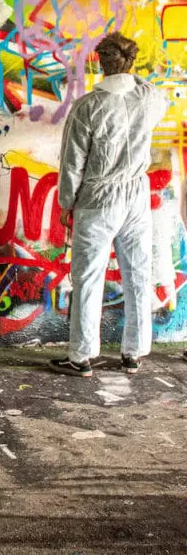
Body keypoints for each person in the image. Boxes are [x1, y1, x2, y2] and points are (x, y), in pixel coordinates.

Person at [51, 32, 167, 377]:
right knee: (138, 274)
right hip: (136, 195)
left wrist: (66, 203)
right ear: (132, 62)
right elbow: (150, 92)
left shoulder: (88, 106)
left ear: (99, 63)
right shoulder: (149, 97)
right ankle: (134, 352)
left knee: (88, 277)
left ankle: (82, 356)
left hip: (98, 199)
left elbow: (72, 162)